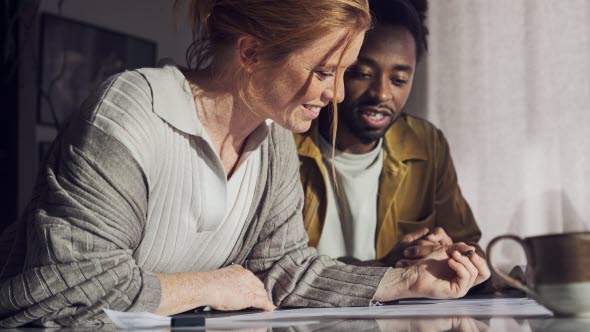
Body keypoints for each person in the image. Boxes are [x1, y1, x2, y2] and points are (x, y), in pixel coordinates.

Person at [0, 0, 489, 327]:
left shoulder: (272, 138)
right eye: (324, 71)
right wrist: (211, 283)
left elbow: (284, 269)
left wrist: (408, 281)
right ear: (252, 53)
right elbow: (65, 290)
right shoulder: (130, 112)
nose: (337, 93)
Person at [295, 0, 483, 267]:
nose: (381, 93)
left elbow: (470, 245)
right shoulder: (284, 141)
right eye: (362, 73)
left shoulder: (426, 144)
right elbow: (276, 269)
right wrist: (385, 269)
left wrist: (451, 255)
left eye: (399, 80)